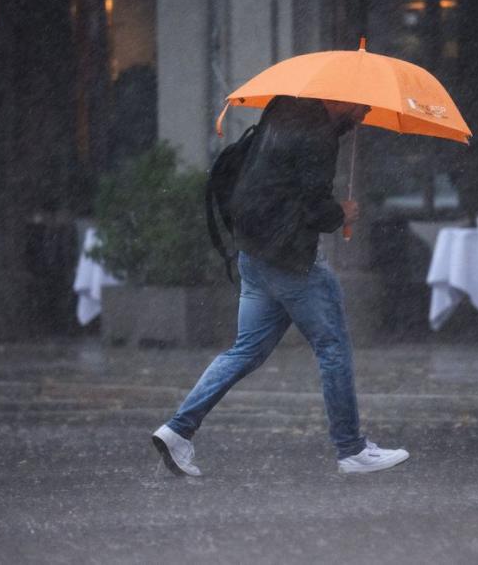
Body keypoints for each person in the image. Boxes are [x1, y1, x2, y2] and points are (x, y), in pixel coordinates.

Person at [151, 95, 410, 476]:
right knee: (332, 347)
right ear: (343, 102)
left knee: (244, 351)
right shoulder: (319, 136)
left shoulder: (281, 113)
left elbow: (276, 187)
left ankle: (177, 430)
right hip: (291, 261)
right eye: (363, 108)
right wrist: (342, 213)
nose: (366, 115)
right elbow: (312, 206)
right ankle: (351, 449)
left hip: (254, 255)